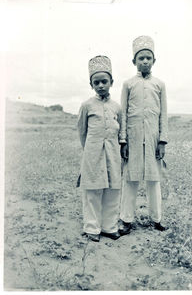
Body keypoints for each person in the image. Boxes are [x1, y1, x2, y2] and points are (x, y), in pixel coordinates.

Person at [119, 35, 168, 235]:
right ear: (134, 61)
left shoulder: (160, 84)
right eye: (141, 58)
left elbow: (163, 114)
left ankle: (156, 219)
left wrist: (162, 140)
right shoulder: (128, 84)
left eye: (149, 58)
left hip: (154, 138)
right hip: (133, 137)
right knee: (130, 179)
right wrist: (123, 140)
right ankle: (126, 220)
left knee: (153, 180)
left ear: (154, 61)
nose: (145, 61)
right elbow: (123, 113)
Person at [77, 55, 122, 242]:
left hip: (113, 153)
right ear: (91, 85)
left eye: (104, 81)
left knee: (112, 189)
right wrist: (90, 150)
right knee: (93, 190)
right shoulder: (87, 106)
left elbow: (121, 130)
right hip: (92, 153)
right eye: (97, 82)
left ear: (111, 82)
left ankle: (109, 227)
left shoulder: (117, 107)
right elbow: (82, 132)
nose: (101, 85)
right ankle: (92, 228)